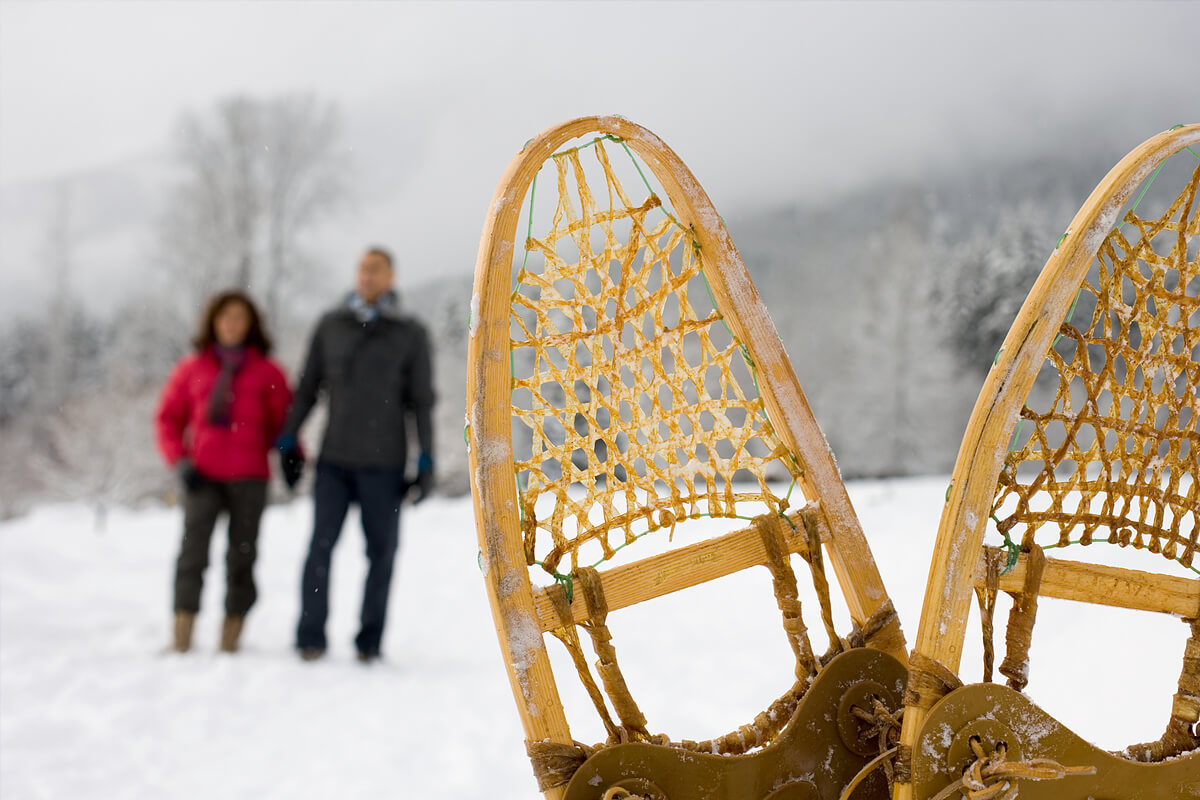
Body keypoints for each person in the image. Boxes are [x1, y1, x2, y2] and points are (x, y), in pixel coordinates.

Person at [277, 246, 435, 663]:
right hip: (334, 461)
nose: (367, 276)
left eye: (376, 270)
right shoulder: (332, 325)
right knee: (320, 548)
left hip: (384, 467)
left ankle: (369, 642)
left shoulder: (409, 333)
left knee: (381, 555)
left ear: (391, 278)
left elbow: (421, 402)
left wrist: (427, 459)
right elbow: (308, 387)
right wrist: (289, 438)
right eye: (362, 269)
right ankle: (310, 636)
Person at [155, 290, 297, 654]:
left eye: (240, 318)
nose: (232, 324)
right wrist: (179, 461)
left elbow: (285, 424)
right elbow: (167, 419)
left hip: (250, 477)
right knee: (192, 554)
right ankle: (182, 634)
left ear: (251, 325)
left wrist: (293, 454)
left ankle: (231, 636)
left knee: (242, 556)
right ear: (213, 322)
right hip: (202, 476)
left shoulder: (268, 372)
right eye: (225, 317)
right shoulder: (192, 369)